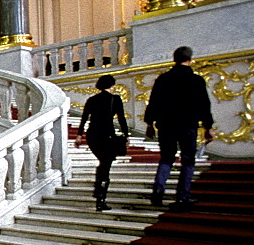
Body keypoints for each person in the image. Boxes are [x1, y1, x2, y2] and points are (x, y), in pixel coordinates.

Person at [144, 46, 215, 209]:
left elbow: (153, 102)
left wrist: (149, 123)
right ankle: (182, 195)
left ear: (174, 59)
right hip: (187, 125)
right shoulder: (196, 80)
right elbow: (204, 105)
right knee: (188, 160)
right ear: (190, 59)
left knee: (167, 158)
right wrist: (208, 127)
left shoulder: (163, 79)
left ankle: (157, 192)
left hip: (165, 125)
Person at [75, 74, 129, 211]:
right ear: (112, 85)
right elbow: (122, 119)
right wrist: (126, 135)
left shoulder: (92, 100)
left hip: (92, 135)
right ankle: (100, 196)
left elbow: (84, 118)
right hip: (107, 135)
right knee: (106, 164)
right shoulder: (115, 99)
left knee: (104, 162)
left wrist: (79, 135)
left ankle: (99, 191)